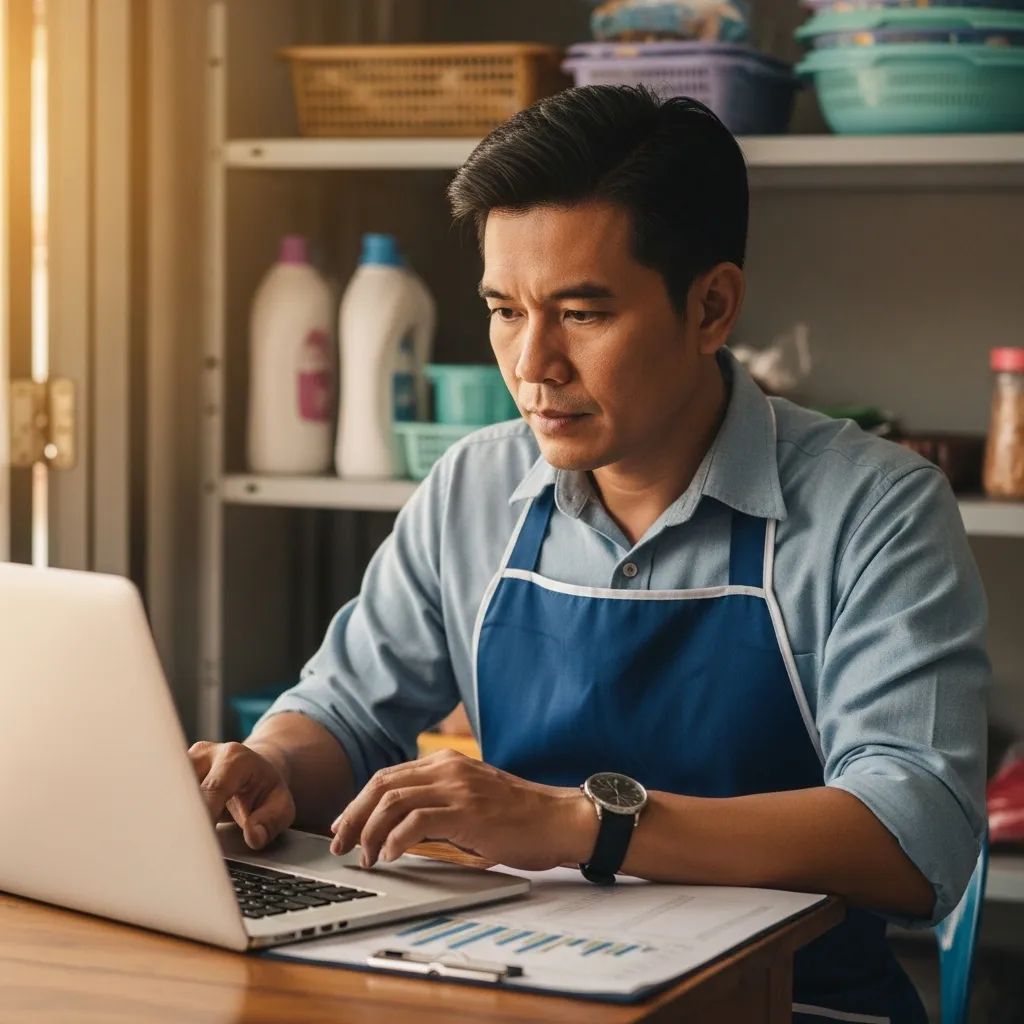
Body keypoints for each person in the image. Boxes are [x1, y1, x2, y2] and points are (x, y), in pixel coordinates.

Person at [189, 86, 988, 1023]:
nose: (532, 365)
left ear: (712, 306)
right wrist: (271, 769)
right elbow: (343, 712)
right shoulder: (473, 487)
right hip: (515, 991)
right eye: (503, 310)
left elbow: (913, 831)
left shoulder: (875, 508)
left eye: (582, 313)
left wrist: (576, 822)